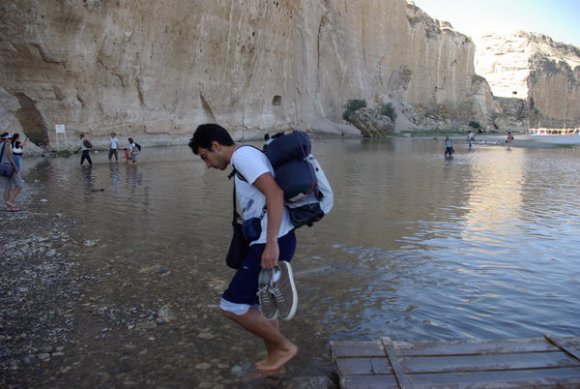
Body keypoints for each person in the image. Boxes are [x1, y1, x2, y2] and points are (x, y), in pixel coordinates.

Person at [188, 123, 299, 372]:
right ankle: (275, 362)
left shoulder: (243, 157)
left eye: (205, 156)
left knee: (233, 305)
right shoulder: (246, 157)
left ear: (215, 146)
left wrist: (270, 244)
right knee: (263, 305)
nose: (207, 164)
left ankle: (283, 348)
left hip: (272, 241)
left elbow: (275, 195)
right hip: (278, 238)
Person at [1, 132, 23, 212]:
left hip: (2, 168)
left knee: (7, 187)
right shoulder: (7, 144)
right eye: (9, 138)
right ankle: (10, 201)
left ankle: (9, 208)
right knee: (19, 185)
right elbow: (9, 156)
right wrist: (15, 167)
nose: (10, 139)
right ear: (6, 138)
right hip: (9, 167)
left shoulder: (0, 144)